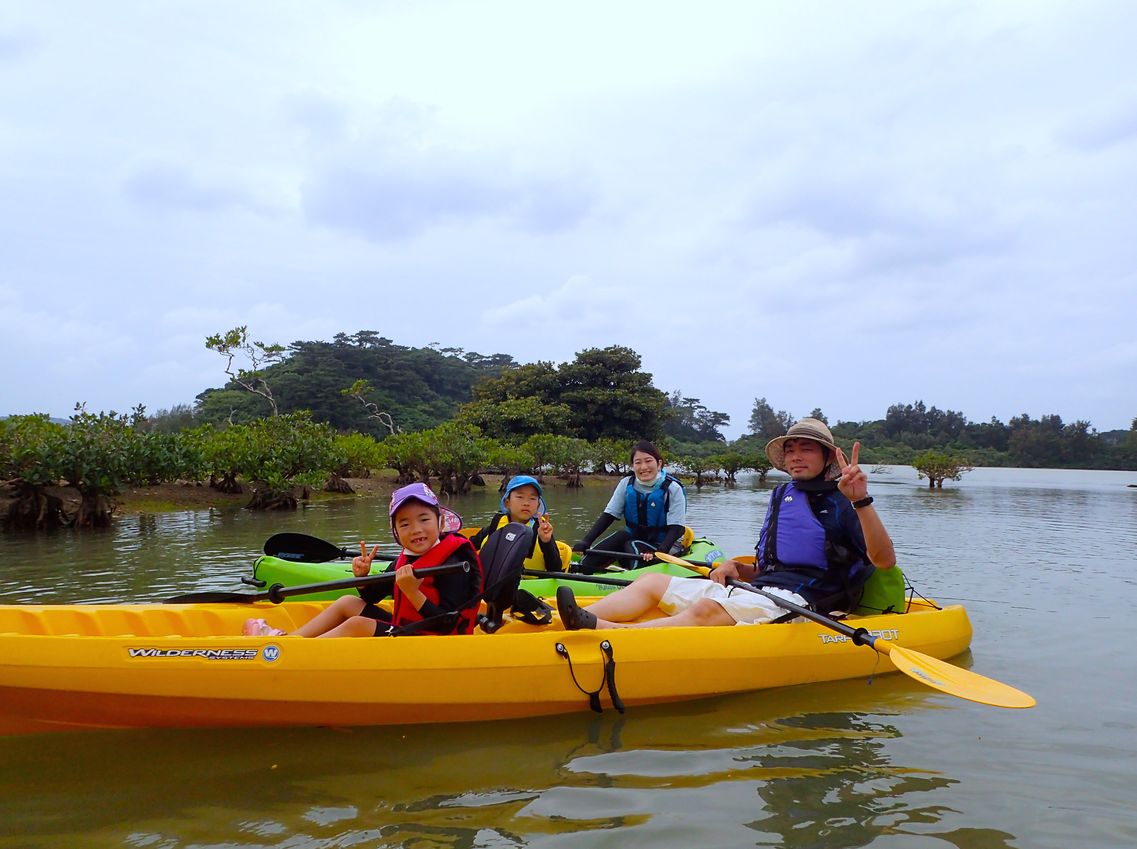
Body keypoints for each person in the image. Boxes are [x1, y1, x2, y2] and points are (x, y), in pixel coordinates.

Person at [557, 418, 896, 630]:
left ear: (826, 457)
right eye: (790, 449)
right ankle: (559, 623)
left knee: (707, 608)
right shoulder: (783, 496)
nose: (795, 456)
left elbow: (884, 561)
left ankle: (611, 632)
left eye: (806, 449)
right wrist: (736, 567)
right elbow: (771, 567)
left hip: (806, 603)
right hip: (762, 590)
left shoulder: (844, 502)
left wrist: (860, 500)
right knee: (650, 581)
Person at [242, 482, 483, 638]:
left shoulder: (455, 558)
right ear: (396, 532)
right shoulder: (409, 557)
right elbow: (371, 597)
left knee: (358, 625)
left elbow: (448, 624)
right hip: (410, 627)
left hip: (437, 639)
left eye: (424, 519)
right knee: (348, 601)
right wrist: (363, 579)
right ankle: (291, 641)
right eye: (405, 524)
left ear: (440, 522)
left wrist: (414, 594)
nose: (416, 529)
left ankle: (291, 653)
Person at [573, 440, 687, 573]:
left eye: (648, 461)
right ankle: (582, 569)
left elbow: (676, 529)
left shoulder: (673, 488)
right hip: (635, 540)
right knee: (621, 536)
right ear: (633, 466)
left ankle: (633, 579)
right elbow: (608, 515)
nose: (644, 467)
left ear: (659, 463)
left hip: (664, 546)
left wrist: (661, 552)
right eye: (638, 462)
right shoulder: (626, 483)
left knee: (632, 544)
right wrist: (586, 542)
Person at [468, 475, 570, 572]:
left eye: (532, 498)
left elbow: (555, 568)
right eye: (520, 497)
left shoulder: (542, 529)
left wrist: (546, 542)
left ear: (538, 506)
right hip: (497, 583)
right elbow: (469, 547)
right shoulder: (496, 523)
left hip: (530, 585)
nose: (526, 503)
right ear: (507, 502)